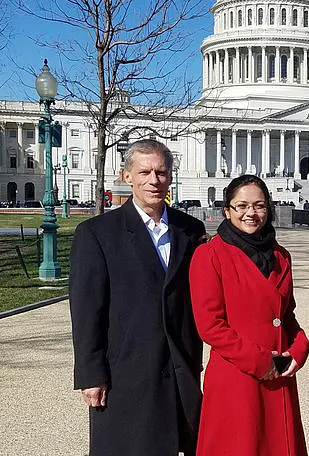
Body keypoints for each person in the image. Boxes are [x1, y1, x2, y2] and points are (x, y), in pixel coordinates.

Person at [68, 139, 207, 456]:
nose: (153, 180)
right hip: (127, 369)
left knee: (182, 444)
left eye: (161, 172)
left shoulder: (191, 230)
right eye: (144, 172)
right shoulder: (97, 233)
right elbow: (88, 310)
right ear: (127, 176)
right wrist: (91, 375)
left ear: (170, 177)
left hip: (180, 366)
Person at [190, 175, 309, 456]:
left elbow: (286, 315)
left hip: (279, 371)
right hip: (237, 374)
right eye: (241, 205)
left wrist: (300, 349)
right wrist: (260, 361)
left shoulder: (281, 256)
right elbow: (210, 326)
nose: (251, 213)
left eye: (258, 206)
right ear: (227, 210)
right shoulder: (209, 255)